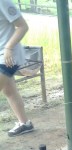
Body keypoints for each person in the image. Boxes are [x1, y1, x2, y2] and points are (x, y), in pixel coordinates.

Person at [0, 0, 34, 137]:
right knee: (9, 90)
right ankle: (25, 124)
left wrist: (9, 47)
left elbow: (22, 26)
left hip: (7, 55)